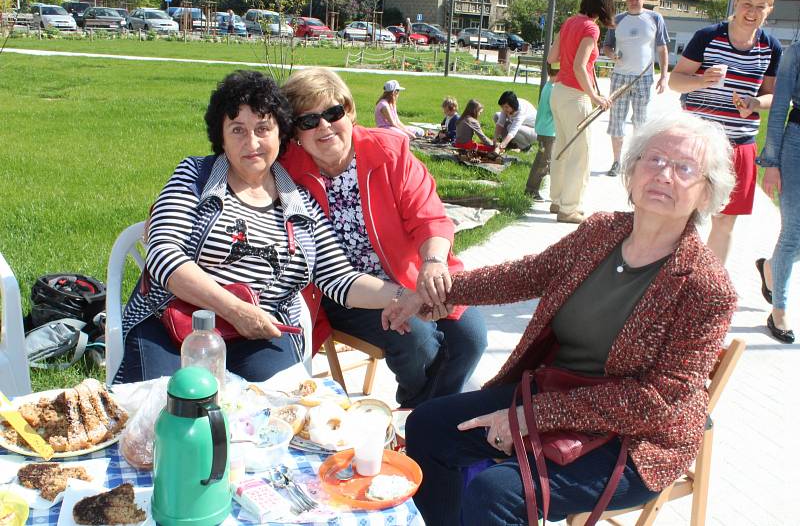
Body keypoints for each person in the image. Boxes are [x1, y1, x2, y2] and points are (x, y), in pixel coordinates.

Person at [399, 112, 738, 525]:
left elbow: (656, 403)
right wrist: (434, 292)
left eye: (685, 168)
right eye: (654, 159)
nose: (665, 174)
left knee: (496, 495)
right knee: (428, 427)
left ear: (707, 194)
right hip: (555, 392)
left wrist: (530, 418)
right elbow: (523, 275)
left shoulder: (706, 287)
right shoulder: (601, 232)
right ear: (632, 172)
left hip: (634, 439)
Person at [115, 70, 422, 384]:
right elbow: (164, 256)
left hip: (260, 335)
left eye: (263, 128)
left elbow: (339, 279)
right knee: (163, 412)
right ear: (220, 136)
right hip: (174, 323)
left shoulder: (301, 204)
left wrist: (406, 294)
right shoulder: (195, 175)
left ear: (281, 134)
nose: (252, 143)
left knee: (282, 415)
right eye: (237, 130)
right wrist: (236, 311)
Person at [280, 67, 488, 408]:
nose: (325, 126)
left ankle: (419, 412)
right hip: (343, 291)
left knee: (471, 339)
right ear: (294, 133)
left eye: (333, 113)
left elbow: (430, 218)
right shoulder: (288, 172)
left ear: (348, 111)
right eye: (308, 121)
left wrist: (433, 264)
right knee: (418, 341)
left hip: (412, 275)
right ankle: (427, 417)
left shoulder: (388, 152)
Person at [669, 0, 781, 264]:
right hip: (697, 143)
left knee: (725, 221)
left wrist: (754, 103)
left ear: (769, 9)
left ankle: (709, 284)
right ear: (736, 4)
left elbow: (772, 95)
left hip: (740, 144)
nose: (752, 12)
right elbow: (675, 81)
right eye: (747, 4)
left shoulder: (771, 47)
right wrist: (701, 80)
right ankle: (667, 278)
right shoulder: (708, 36)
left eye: (760, 6)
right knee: (680, 212)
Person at [547, 0, 615, 224]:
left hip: (558, 93)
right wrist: (594, 96)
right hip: (575, 97)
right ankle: (569, 208)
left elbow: (551, 57)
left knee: (562, 149)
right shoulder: (591, 28)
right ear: (604, 7)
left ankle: (557, 201)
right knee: (580, 154)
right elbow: (580, 66)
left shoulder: (569, 22)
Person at [754, 41, 800, 344]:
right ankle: (779, 309)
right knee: (793, 231)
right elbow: (780, 104)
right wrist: (771, 162)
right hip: (796, 146)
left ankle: (771, 267)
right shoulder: (796, 52)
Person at [602, 0, 669, 177]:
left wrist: (663, 76)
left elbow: (662, 48)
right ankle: (616, 161)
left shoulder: (655, 18)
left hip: (643, 77)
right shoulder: (617, 20)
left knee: (640, 121)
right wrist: (611, 55)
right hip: (619, 77)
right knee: (617, 120)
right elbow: (607, 46)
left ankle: (638, 161)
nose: (633, 1)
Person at [525, 63, 559, 199]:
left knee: (545, 160)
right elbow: (555, 109)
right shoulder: (553, 90)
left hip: (545, 130)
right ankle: (531, 189)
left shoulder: (548, 86)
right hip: (548, 132)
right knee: (543, 162)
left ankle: (550, 190)